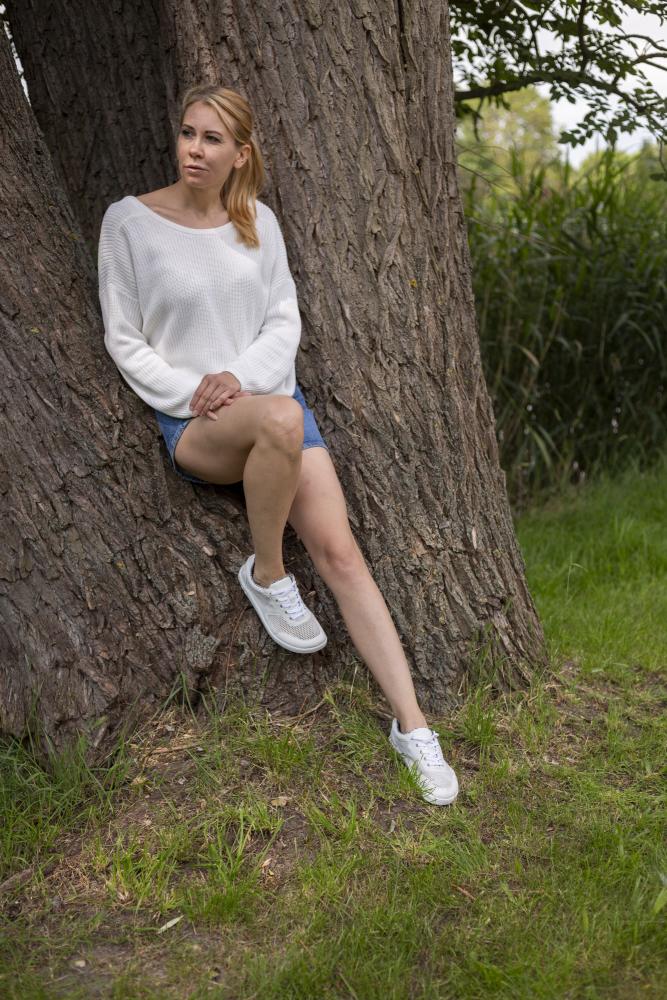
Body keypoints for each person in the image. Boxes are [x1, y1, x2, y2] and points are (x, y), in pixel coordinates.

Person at [97, 83, 459, 806]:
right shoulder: (129, 223)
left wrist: (242, 379)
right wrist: (196, 392)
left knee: (342, 553)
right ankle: (266, 573)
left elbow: (282, 325)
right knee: (281, 421)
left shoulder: (256, 223)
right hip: (195, 422)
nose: (194, 150)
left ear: (240, 154)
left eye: (211, 140)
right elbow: (123, 337)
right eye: (188, 133)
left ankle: (414, 731)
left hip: (270, 405)